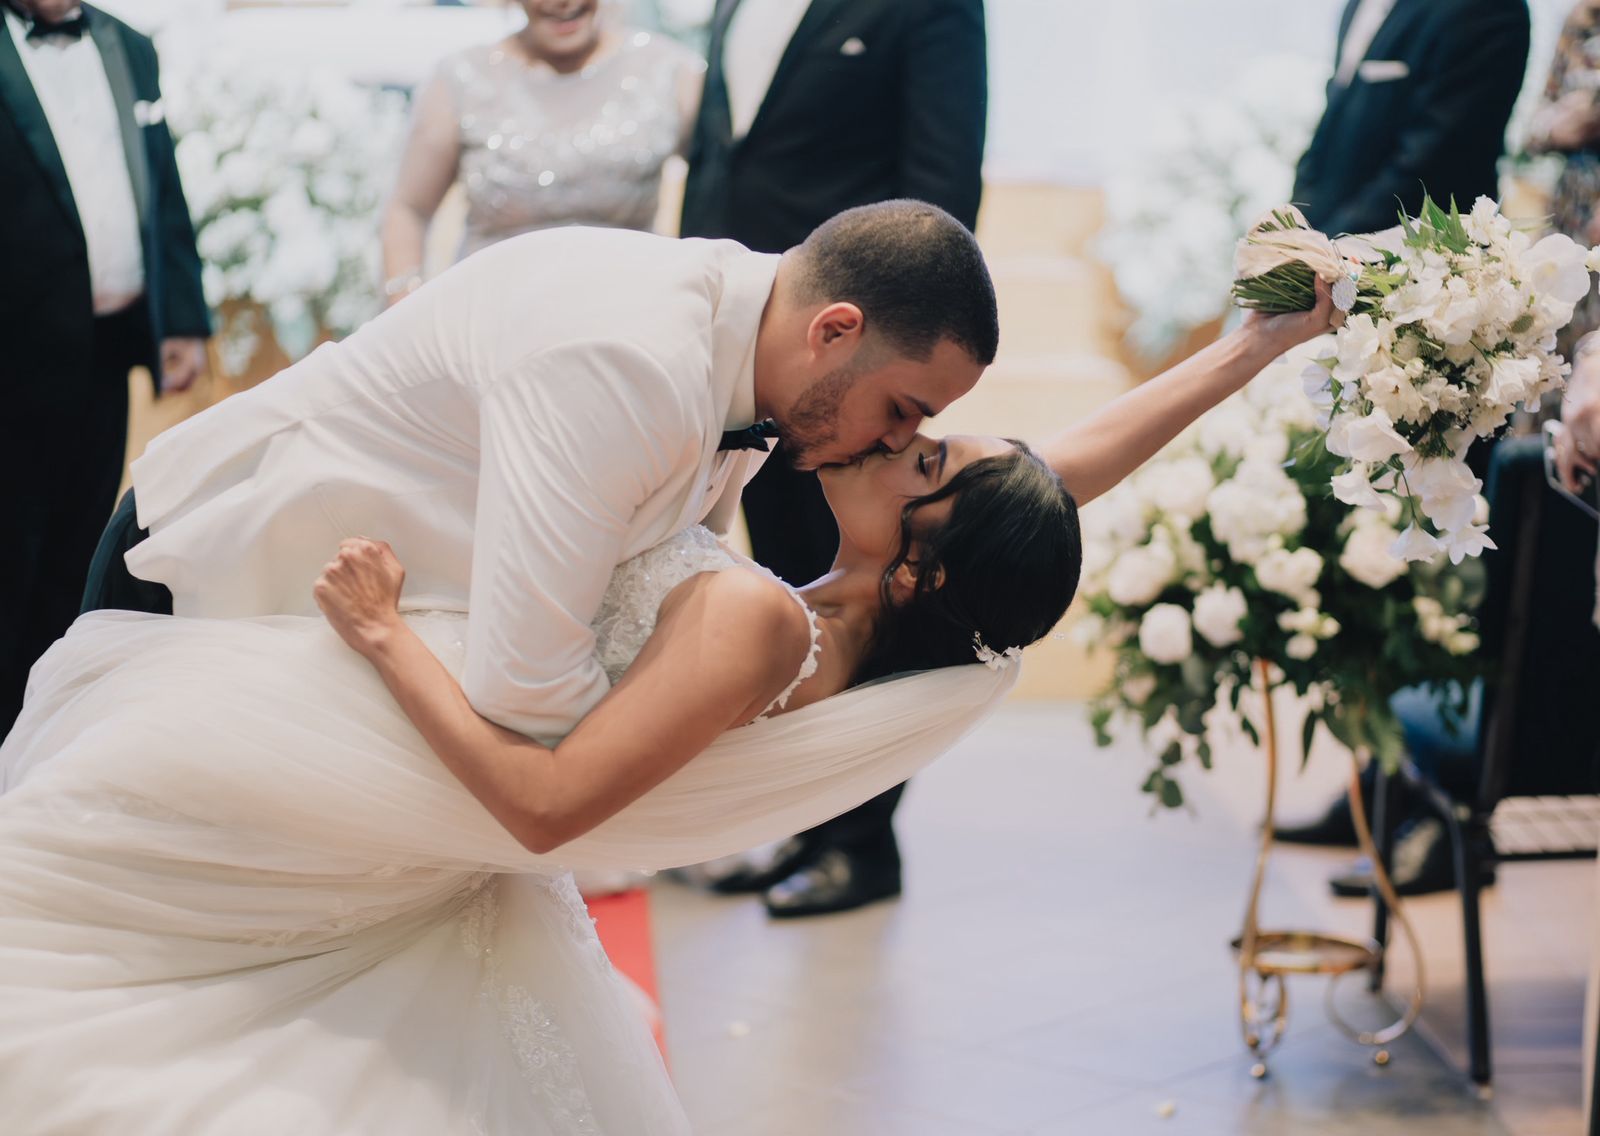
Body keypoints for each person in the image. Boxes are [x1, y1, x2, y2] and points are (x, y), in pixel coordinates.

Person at [0, 238, 1338, 1130]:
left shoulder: (760, 628)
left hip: (413, 746)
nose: (912, 439)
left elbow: (540, 803)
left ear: (924, 568)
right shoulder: (856, 621)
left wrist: (389, 636)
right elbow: (1049, 484)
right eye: (914, 422)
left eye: (924, 452)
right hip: (265, 591)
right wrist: (1249, 350)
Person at [677, 0, 988, 917]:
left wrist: (885, 367)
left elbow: (939, 189)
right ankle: (797, 814)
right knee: (780, 583)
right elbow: (721, 157)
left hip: (847, 358)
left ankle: (860, 841)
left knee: (858, 589)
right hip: (744, 342)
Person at [1277, 0, 1530, 880]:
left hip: (1433, 329)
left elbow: (1437, 158)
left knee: (1439, 571)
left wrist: (1325, 257)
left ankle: (1441, 816)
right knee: (1372, 555)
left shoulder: (1484, 11)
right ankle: (1378, 788)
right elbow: (1332, 134)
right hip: (1344, 314)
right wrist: (1283, 248)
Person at [0, 0, 209, 737]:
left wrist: (181, 316)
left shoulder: (128, 45)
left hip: (105, 349)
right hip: (14, 357)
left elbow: (161, 181)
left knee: (77, 544)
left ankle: (45, 730)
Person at [379, 0, 703, 301]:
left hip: (629, 315)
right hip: (489, 324)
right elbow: (409, 209)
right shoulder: (462, 78)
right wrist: (406, 302)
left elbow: (724, 192)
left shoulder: (668, 71)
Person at [1291, 0, 1529, 238]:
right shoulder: (1358, 6)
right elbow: (1333, 124)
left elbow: (1434, 160)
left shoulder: (1488, 8)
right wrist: (1295, 226)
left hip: (1415, 252)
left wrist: (1331, 245)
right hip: (1323, 238)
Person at [1526, 1, 1600, 358]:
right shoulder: (1582, 21)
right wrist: (1558, 126)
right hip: (1572, 213)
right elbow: (1534, 129)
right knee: (1551, 340)